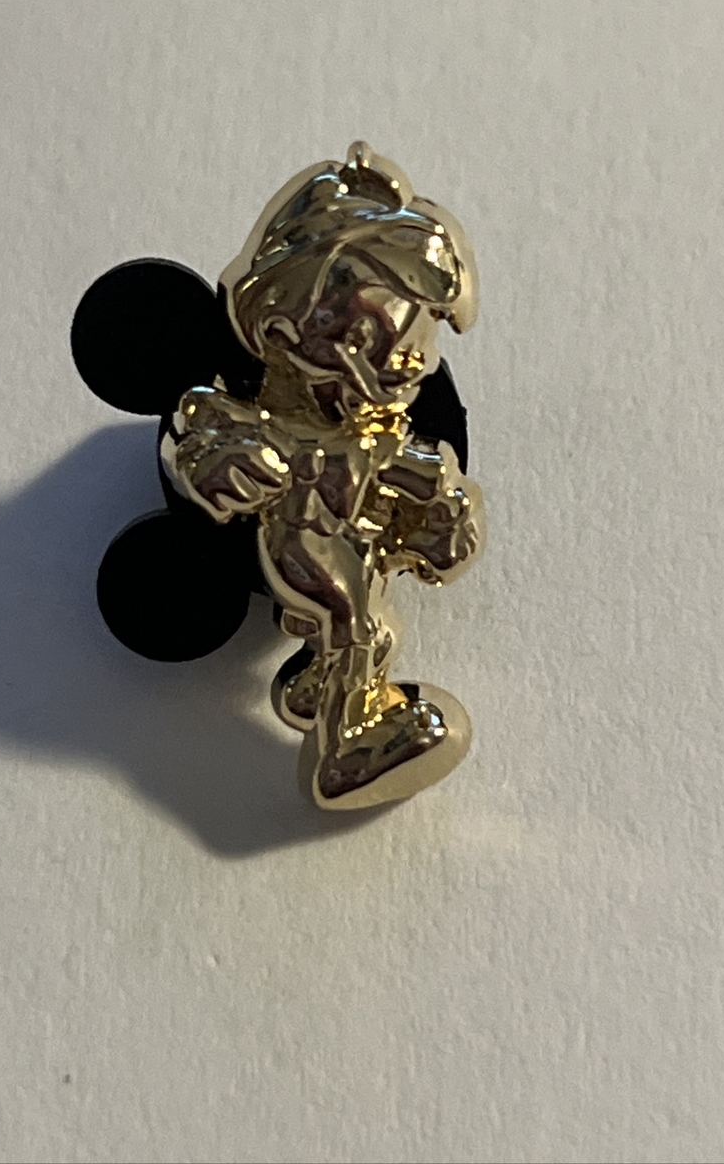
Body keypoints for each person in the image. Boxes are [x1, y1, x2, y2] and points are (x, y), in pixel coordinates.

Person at [162, 141, 484, 810]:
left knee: (376, 630)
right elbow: (213, 450)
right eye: (375, 345)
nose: (411, 367)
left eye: (418, 347)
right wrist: (221, 464)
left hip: (351, 538)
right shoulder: (277, 431)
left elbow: (402, 471)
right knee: (356, 624)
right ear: (285, 334)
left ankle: (315, 690)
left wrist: (440, 504)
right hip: (303, 540)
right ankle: (345, 751)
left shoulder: (370, 431)